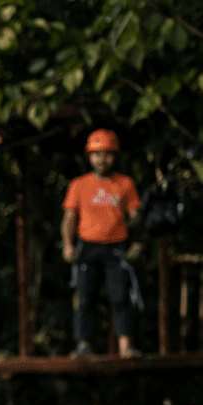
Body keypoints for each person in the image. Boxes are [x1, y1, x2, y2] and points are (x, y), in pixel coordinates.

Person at [62, 129, 144, 357]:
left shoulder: (125, 183)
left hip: (116, 247)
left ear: (115, 156)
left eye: (107, 154)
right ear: (89, 156)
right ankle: (83, 344)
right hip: (87, 247)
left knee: (120, 297)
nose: (102, 159)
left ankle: (125, 346)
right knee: (85, 297)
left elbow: (135, 215)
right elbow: (69, 218)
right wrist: (68, 245)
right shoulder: (79, 185)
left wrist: (133, 222)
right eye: (97, 154)